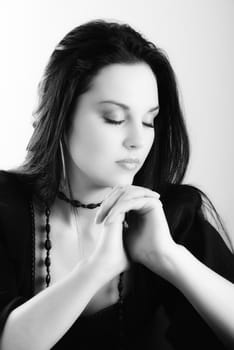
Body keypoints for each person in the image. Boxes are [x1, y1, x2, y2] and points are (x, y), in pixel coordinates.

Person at [0, 19, 234, 350]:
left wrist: (168, 256)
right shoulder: (6, 207)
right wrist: (97, 268)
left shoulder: (174, 213)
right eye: (114, 118)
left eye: (148, 120)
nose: (138, 140)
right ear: (62, 114)